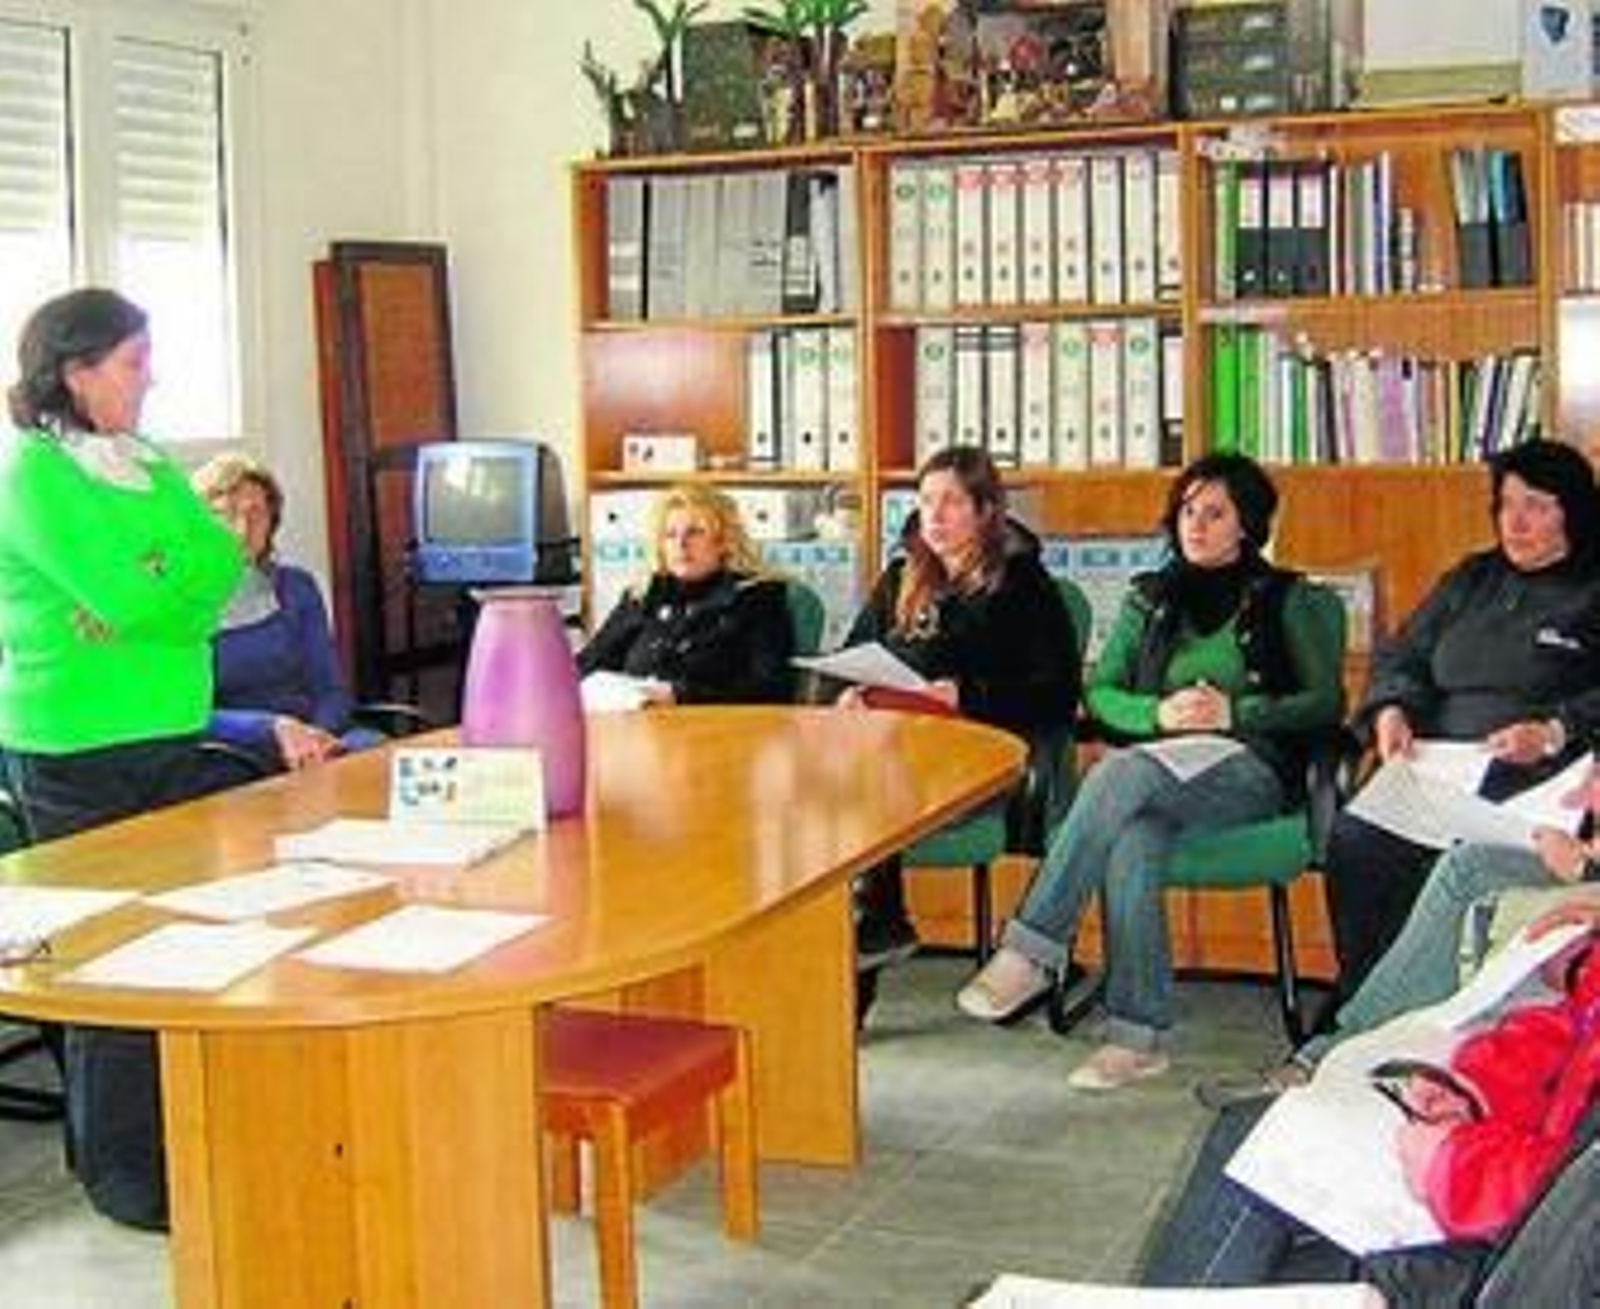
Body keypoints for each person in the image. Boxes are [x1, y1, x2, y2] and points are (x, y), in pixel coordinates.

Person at [957, 453, 1345, 1091]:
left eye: (1215, 513)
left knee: (1118, 777)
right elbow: (1101, 695)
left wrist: (1236, 710)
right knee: (1132, 834)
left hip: (1250, 771)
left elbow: (1325, 700)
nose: (1196, 523)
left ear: (1247, 524)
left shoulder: (1289, 599)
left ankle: (1030, 949)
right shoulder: (1149, 598)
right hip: (1162, 762)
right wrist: (1159, 712)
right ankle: (1137, 1038)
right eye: (1189, 510)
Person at [0, 288, 244, 1228]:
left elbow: (218, 561)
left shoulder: (142, 461)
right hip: (75, 747)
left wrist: (156, 591)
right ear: (78, 370)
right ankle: (127, 1178)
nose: (151, 378)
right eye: (135, 362)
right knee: (107, 957)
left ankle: (166, 1143)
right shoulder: (34, 474)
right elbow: (141, 592)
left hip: (163, 731)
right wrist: (158, 591)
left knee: (172, 944)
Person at [1142, 897, 1600, 1307]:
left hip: (1528, 1254)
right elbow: (1570, 1034)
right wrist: (1477, 1089)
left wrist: (1457, 1166)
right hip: (1519, 1200)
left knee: (1257, 1158)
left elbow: (1579, 1223)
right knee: (1260, 1154)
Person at [1323, 439, 1600, 1001]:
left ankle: (1401, 1012)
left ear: (1572, 511)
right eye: (1506, 505)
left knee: (1441, 862)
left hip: (1535, 777)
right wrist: (1392, 708)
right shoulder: (1473, 578)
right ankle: (1364, 998)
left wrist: (1554, 731)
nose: (1515, 521)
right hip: (1439, 764)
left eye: (1537, 506)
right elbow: (1403, 654)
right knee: (1356, 839)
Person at [843, 445, 1082, 970]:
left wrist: (966, 695)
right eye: (926, 500)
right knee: (829, 780)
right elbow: (854, 656)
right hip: (897, 747)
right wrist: (850, 691)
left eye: (951, 501)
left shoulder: (1023, 585)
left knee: (859, 787)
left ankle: (877, 923)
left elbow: (1057, 693)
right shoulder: (901, 579)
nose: (934, 514)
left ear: (985, 510)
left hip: (981, 754)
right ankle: (862, 938)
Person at [192, 454, 380, 771]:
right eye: (227, 514)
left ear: (272, 522)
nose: (243, 529)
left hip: (320, 741)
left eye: (257, 514)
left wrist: (317, 736)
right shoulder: (182, 604)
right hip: (236, 751)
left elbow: (331, 689)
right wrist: (273, 728)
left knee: (380, 759)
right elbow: (187, 713)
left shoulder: (297, 587)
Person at [577, 483, 795, 704]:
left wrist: (680, 695)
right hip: (634, 725)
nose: (681, 544)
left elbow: (772, 689)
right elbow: (586, 665)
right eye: (670, 535)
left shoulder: (759, 598)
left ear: (723, 542)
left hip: (717, 731)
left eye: (695, 532)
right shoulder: (643, 595)